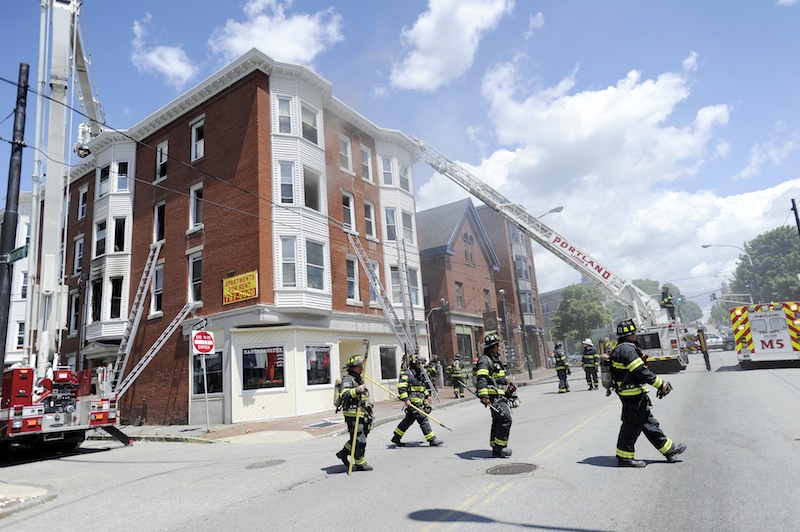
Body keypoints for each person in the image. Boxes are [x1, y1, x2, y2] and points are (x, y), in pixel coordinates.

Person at [610, 319, 686, 468]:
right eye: (635, 332)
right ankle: (624, 457)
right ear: (630, 334)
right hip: (632, 394)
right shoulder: (626, 350)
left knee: (648, 423)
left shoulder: (621, 347)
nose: (636, 335)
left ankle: (669, 451)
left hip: (633, 393)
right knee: (631, 426)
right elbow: (640, 371)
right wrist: (660, 384)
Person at [391, 354, 444, 447]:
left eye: (421, 363)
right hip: (413, 402)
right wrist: (406, 400)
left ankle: (396, 437)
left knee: (409, 420)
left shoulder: (419, 373)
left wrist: (427, 396)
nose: (420, 365)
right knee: (423, 419)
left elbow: (421, 387)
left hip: (419, 401)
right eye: (418, 363)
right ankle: (432, 439)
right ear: (413, 363)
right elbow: (401, 387)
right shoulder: (408, 374)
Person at [475, 331, 513, 457]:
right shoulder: (485, 360)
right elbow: (482, 378)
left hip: (500, 396)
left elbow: (499, 378)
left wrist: (508, 384)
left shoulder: (494, 360)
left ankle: (496, 448)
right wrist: (484, 396)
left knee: (497, 420)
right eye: (497, 345)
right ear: (492, 347)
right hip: (493, 397)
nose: (499, 348)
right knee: (505, 418)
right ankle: (501, 446)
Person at [335, 355, 374, 471]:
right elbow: (344, 394)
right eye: (358, 366)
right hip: (352, 414)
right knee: (360, 439)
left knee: (358, 437)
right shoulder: (348, 379)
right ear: (352, 368)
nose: (361, 368)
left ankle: (343, 453)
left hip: (362, 413)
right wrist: (357, 390)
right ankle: (360, 462)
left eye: (361, 366)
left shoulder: (358, 379)